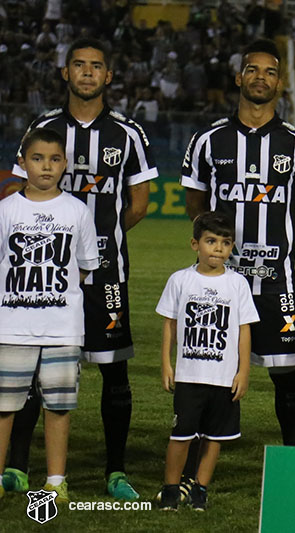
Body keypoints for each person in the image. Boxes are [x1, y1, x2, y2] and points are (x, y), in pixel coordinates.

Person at [7, 37, 157, 500]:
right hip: (45, 274)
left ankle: (115, 471)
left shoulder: (128, 133)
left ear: (108, 76)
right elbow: (16, 193)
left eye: (96, 66)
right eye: (79, 65)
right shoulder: (44, 127)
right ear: (65, 73)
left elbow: (138, 203)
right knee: (31, 369)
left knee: (114, 370)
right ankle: (17, 466)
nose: (88, 73)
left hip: (107, 274)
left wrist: (97, 239)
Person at [182, 40, 295, 457]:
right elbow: (196, 205)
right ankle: (201, 457)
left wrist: (277, 244)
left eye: (270, 72)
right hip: (220, 281)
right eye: (253, 69)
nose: (260, 77)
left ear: (279, 83)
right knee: (211, 373)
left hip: (276, 281)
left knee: (287, 374)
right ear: (238, 77)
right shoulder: (208, 140)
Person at [0, 128, 100, 502]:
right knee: (4, 407)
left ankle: (56, 480)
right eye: (38, 158)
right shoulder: (7, 210)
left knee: (59, 407)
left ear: (65, 164)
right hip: (12, 327)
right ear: (22, 162)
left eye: (55, 159)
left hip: (61, 328)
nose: (46, 166)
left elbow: (85, 268)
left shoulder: (76, 210)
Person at [156, 212, 259, 511]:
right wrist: (166, 363)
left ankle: (200, 489)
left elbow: (244, 329)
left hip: (223, 378)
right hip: (190, 375)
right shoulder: (180, 280)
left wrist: (243, 371)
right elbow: (170, 324)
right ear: (195, 244)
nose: (218, 249)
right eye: (211, 241)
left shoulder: (237, 284)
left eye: (225, 243)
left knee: (216, 437)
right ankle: (171, 489)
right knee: (181, 435)